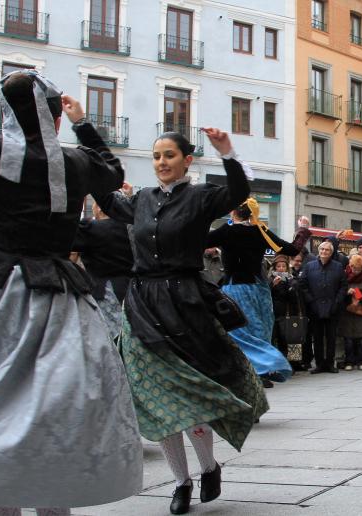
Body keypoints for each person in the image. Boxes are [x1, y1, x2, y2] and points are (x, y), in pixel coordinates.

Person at [0, 70, 142, 515]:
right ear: (56, 119)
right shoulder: (78, 161)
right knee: (59, 410)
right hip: (61, 299)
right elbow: (114, 173)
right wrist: (84, 126)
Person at [95, 129, 268, 515]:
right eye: (156, 156)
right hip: (140, 306)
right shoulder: (140, 200)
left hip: (186, 305)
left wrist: (228, 151)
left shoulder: (201, 197)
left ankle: (208, 467)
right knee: (159, 403)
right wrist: (86, 132)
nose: (161, 162)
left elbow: (238, 192)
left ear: (187, 160)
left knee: (188, 397)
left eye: (169, 155)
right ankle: (180, 481)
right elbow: (104, 193)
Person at [207, 198, 309, 387]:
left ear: (233, 213)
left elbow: (201, 240)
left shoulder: (226, 231)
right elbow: (292, 249)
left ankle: (248, 371)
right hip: (258, 289)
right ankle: (263, 369)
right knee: (260, 328)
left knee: (238, 330)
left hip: (234, 288)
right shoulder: (260, 231)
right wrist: (302, 229)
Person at [72, 197, 134, 340]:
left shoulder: (91, 229)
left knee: (106, 336)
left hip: (103, 290)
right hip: (129, 288)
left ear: (100, 208)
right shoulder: (129, 228)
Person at [299, 240, 347, 374]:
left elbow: (343, 286)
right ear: (318, 251)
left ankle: (330, 364)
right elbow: (303, 285)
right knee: (318, 337)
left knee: (331, 337)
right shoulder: (309, 266)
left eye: (327, 250)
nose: (324, 252)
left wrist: (337, 302)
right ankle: (319, 364)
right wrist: (311, 301)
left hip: (333, 307)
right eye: (322, 249)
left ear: (331, 253)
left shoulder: (338, 266)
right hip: (315, 307)